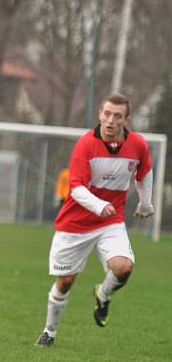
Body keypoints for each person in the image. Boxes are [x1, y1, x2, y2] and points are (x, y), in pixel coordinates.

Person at [35, 94, 154, 347]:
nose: (111, 120)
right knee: (65, 281)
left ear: (126, 119)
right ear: (100, 114)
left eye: (117, 116)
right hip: (75, 224)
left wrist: (145, 203)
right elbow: (76, 188)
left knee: (123, 268)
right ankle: (50, 331)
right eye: (107, 114)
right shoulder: (85, 144)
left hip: (110, 223)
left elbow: (144, 173)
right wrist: (100, 205)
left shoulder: (139, 145)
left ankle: (103, 293)